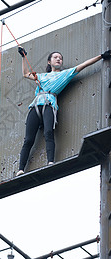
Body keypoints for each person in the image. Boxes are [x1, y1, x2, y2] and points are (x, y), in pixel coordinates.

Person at [16, 47, 111, 177]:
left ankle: (50, 161)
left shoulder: (65, 74)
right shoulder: (42, 76)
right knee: (28, 140)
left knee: (49, 132)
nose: (59, 59)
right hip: (35, 106)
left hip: (49, 104)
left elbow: (83, 65)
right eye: (55, 57)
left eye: (60, 58)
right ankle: (21, 169)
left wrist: (101, 56)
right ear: (49, 62)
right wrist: (23, 56)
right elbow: (26, 74)